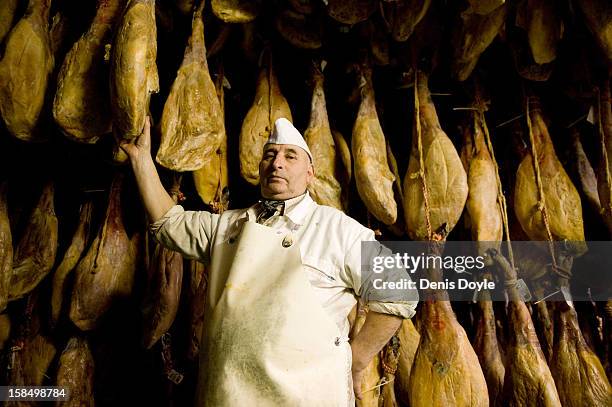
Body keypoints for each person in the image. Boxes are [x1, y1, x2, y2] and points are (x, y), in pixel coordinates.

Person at [121, 117, 418, 406]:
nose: (277, 163)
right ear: (260, 168)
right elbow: (168, 224)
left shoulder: (340, 231)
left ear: (310, 173)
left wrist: (357, 358)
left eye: (291, 157)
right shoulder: (229, 226)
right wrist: (140, 159)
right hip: (227, 396)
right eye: (270, 155)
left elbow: (399, 290)